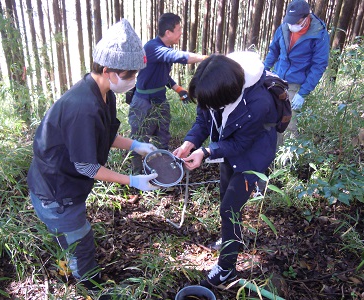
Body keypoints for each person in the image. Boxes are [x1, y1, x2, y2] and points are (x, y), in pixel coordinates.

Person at [27, 19, 159, 291]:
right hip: (56, 192)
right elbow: (87, 167)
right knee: (81, 241)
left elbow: (106, 135)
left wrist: (136, 145)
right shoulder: (82, 107)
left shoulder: (104, 94)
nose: (132, 80)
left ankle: (69, 261)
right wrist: (132, 181)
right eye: (128, 75)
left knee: (72, 236)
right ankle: (91, 287)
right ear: (108, 70)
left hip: (64, 184)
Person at [174, 52, 278, 289]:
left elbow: (241, 144)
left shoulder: (258, 102)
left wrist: (207, 152)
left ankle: (227, 268)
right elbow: (204, 120)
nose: (207, 105)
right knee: (226, 198)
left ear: (227, 96)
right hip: (229, 150)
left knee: (230, 207)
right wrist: (190, 142)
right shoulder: (215, 87)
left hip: (253, 156)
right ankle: (231, 237)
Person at [128, 12, 207, 174]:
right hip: (142, 102)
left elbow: (163, 74)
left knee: (162, 137)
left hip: (160, 100)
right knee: (139, 139)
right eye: (178, 30)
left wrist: (178, 89)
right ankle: (136, 176)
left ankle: (161, 173)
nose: (180, 34)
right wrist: (206, 58)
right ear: (168, 32)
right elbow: (179, 57)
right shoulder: (153, 47)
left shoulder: (164, 48)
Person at [264, 0, 329, 143]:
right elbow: (273, 51)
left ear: (306, 18)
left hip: (296, 82)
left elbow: (319, 65)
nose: (291, 24)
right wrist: (263, 70)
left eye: (295, 21)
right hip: (277, 77)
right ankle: (267, 155)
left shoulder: (319, 34)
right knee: (268, 116)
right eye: (289, 20)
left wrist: (303, 93)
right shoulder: (284, 27)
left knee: (288, 122)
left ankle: (284, 161)